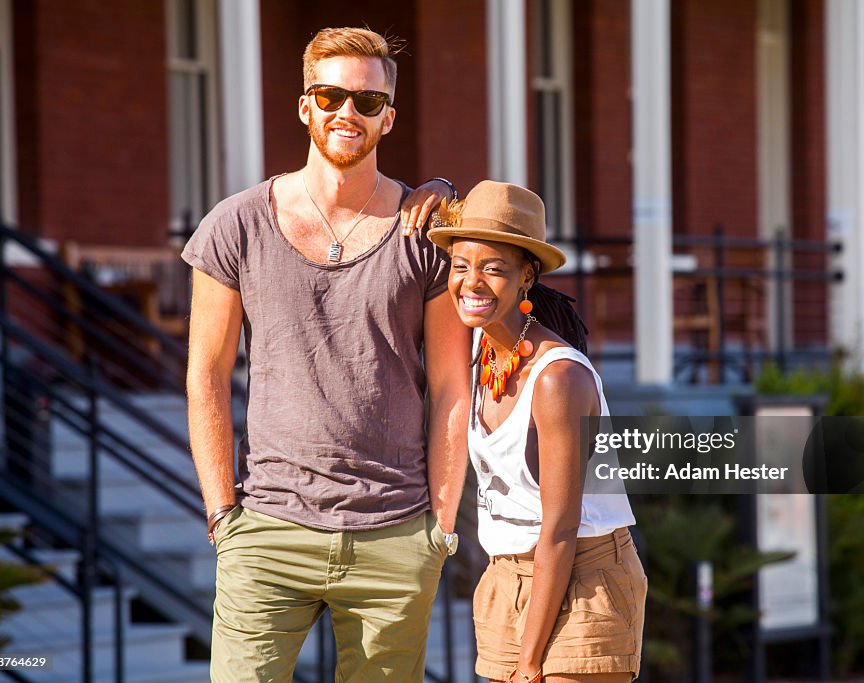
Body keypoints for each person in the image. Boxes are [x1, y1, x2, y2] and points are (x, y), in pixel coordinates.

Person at [182, 27, 471, 682]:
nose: (349, 112)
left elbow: (453, 386)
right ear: (305, 105)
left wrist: (441, 529)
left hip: (395, 533)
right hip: (267, 530)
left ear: (388, 117)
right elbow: (205, 375)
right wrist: (222, 513)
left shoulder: (426, 234)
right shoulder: (236, 225)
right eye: (331, 95)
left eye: (367, 102)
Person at [426, 181, 647, 683]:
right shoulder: (483, 350)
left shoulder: (558, 379)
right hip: (506, 576)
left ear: (526, 277)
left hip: (582, 577)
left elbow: (560, 529)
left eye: (493, 269)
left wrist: (529, 663)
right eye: (461, 266)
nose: (472, 282)